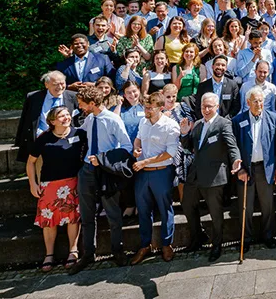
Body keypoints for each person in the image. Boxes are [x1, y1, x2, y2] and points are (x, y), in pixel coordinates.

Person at [70, 86, 132, 274]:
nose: (80, 107)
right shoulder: (90, 118)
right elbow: (79, 131)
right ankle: (88, 253)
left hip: (105, 171)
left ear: (92, 103)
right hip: (87, 171)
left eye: (82, 104)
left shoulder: (113, 120)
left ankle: (117, 250)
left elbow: (127, 146)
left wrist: (104, 159)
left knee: (113, 213)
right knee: (87, 215)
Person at [179, 93, 242, 261]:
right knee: (187, 205)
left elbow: (231, 144)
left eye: (209, 107)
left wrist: (236, 159)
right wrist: (184, 134)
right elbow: (189, 147)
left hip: (214, 177)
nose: (206, 110)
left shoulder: (224, 124)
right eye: (203, 107)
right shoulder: (198, 124)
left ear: (217, 107)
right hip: (195, 175)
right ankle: (197, 237)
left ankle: (217, 244)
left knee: (215, 213)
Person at [27, 106, 86, 272]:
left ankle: (73, 251)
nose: (66, 118)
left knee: (73, 218)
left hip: (73, 182)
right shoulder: (44, 138)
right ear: (52, 121)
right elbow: (31, 162)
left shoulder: (79, 134)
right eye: (61, 116)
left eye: (67, 114)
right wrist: (33, 183)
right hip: (50, 184)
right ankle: (49, 254)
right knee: (49, 221)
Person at [129, 92, 181, 265]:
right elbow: (137, 140)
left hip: (161, 171)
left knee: (165, 208)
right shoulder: (143, 122)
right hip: (143, 173)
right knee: (143, 210)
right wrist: (136, 150)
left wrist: (145, 161)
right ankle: (145, 245)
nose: (147, 110)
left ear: (160, 108)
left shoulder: (170, 125)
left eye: (150, 108)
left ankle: (167, 244)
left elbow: (170, 152)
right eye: (145, 107)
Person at [232, 88, 276, 251]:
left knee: (267, 205)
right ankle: (246, 239)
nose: (259, 104)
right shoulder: (238, 120)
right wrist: (239, 169)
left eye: (261, 100)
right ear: (248, 103)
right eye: (255, 101)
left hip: (265, 168)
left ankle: (268, 236)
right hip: (246, 169)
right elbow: (234, 148)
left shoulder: (273, 118)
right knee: (246, 207)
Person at [15, 71, 79, 164]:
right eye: (56, 84)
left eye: (62, 83)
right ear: (46, 85)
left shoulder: (73, 97)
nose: (60, 87)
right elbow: (26, 119)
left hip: (66, 141)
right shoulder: (33, 97)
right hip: (41, 141)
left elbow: (79, 119)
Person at [195, 55, 241, 120]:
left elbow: (236, 107)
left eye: (223, 65)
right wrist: (206, 119)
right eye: (217, 64)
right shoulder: (202, 86)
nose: (220, 67)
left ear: (226, 68)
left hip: (226, 123)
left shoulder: (233, 85)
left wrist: (225, 120)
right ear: (212, 66)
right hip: (207, 122)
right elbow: (198, 107)